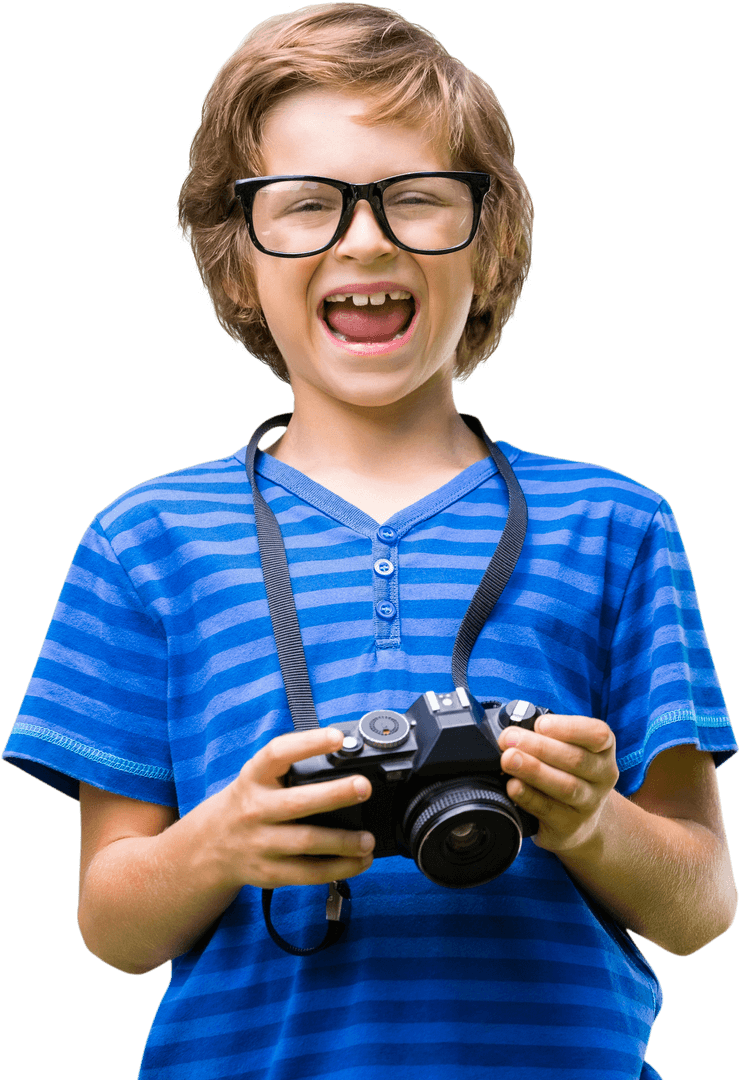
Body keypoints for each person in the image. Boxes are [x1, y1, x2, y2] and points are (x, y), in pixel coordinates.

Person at [3, 4, 737, 1078]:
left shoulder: (615, 526)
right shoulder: (144, 541)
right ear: (237, 257)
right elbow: (114, 927)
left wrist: (587, 819)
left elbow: (698, 907)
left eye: (415, 199)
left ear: (487, 247)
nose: (364, 237)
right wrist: (224, 839)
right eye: (304, 206)